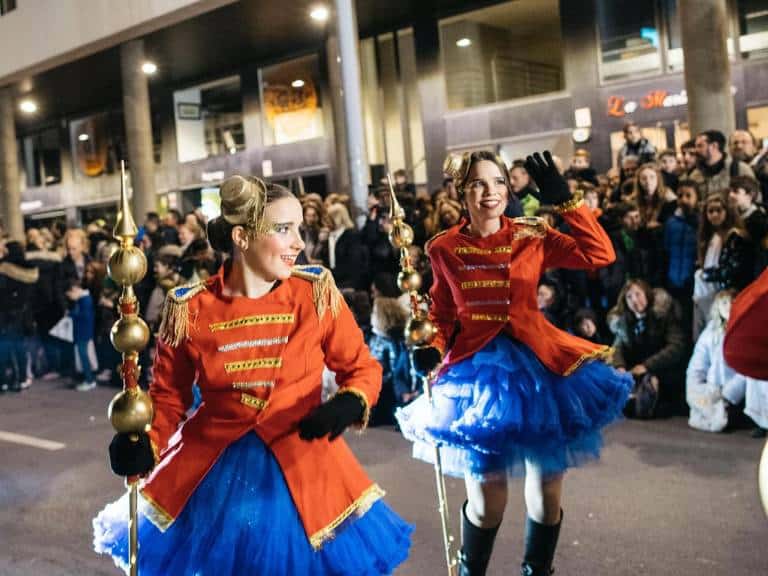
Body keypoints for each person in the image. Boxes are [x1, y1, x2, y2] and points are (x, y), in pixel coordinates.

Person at [93, 175, 412, 574]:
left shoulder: (315, 291)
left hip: (303, 467)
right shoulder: (188, 307)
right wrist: (145, 441)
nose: (299, 242)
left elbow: (361, 367)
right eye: (283, 229)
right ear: (242, 237)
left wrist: (351, 400)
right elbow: (168, 399)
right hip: (213, 474)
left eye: (300, 229)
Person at [396, 151, 632, 576]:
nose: (490, 193)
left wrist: (567, 203)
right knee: (487, 502)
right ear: (461, 193)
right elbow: (442, 313)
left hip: (542, 370)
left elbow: (600, 255)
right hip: (476, 378)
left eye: (498, 182)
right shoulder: (443, 248)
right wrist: (432, 344)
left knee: (547, 492)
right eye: (478, 184)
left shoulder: (532, 234)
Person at [686, 290, 768, 435]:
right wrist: (695, 390)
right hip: (714, 389)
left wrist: (728, 393)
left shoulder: (748, 332)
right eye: (724, 303)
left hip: (739, 394)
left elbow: (750, 368)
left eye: (732, 302)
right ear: (717, 307)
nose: (729, 307)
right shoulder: (710, 334)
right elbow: (697, 366)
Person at [608, 280, 687, 417]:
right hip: (636, 370)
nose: (634, 300)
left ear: (647, 294)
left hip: (662, 369)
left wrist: (647, 366)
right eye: (629, 297)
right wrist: (619, 366)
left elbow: (676, 347)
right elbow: (617, 347)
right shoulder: (625, 321)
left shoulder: (663, 315)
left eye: (638, 294)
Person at [690, 129, 755, 199]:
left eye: (700, 146)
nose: (696, 150)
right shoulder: (695, 175)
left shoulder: (741, 169)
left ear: (714, 146)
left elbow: (755, 197)